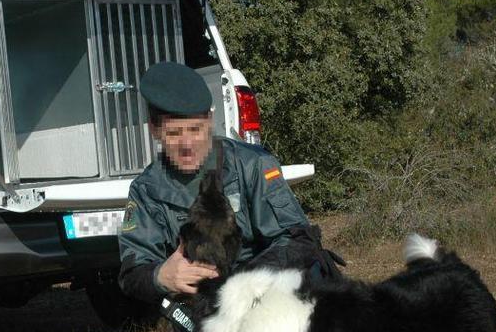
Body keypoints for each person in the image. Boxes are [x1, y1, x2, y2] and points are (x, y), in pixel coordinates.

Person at [118, 62, 340, 304]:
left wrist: (238, 286)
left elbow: (299, 240)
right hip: (206, 308)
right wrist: (160, 276)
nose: (187, 145)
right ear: (154, 130)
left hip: (271, 295)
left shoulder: (252, 164)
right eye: (174, 134)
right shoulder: (147, 190)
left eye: (195, 130)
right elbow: (131, 273)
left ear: (210, 120)